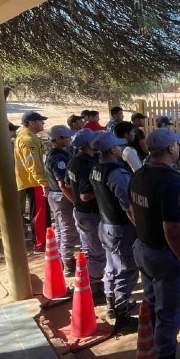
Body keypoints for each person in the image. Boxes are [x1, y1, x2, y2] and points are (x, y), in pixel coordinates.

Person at [129, 128, 180, 359]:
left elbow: (131, 210)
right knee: (170, 309)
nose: (179, 148)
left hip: (143, 248)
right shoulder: (171, 181)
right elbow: (173, 228)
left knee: (154, 302)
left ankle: (153, 347)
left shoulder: (138, 175)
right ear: (170, 149)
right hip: (163, 255)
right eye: (177, 145)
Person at [90, 131, 140, 334]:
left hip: (106, 224)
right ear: (112, 150)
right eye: (118, 146)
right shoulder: (117, 173)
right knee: (126, 270)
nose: (121, 148)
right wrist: (140, 227)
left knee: (111, 266)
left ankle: (112, 303)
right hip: (121, 228)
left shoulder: (97, 168)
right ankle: (122, 315)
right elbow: (129, 206)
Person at [67, 129, 108, 302]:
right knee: (96, 252)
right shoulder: (86, 165)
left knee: (88, 249)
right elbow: (85, 194)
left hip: (81, 211)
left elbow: (67, 185)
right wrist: (103, 189)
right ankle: (95, 287)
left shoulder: (74, 161)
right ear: (89, 145)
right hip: (90, 213)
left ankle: (89, 281)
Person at [45, 125, 78, 276]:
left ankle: (61, 257)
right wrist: (75, 201)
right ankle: (68, 261)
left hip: (55, 195)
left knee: (61, 228)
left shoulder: (54, 154)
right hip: (61, 196)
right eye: (66, 137)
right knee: (68, 229)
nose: (70, 139)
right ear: (58, 139)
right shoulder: (58, 157)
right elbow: (63, 184)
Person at [14, 111, 50, 252]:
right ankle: (40, 243)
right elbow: (33, 164)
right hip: (34, 182)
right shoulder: (28, 140)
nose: (43, 123)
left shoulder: (26, 137)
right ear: (32, 123)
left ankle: (43, 241)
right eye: (40, 121)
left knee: (41, 212)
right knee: (39, 214)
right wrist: (43, 183)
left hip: (32, 181)